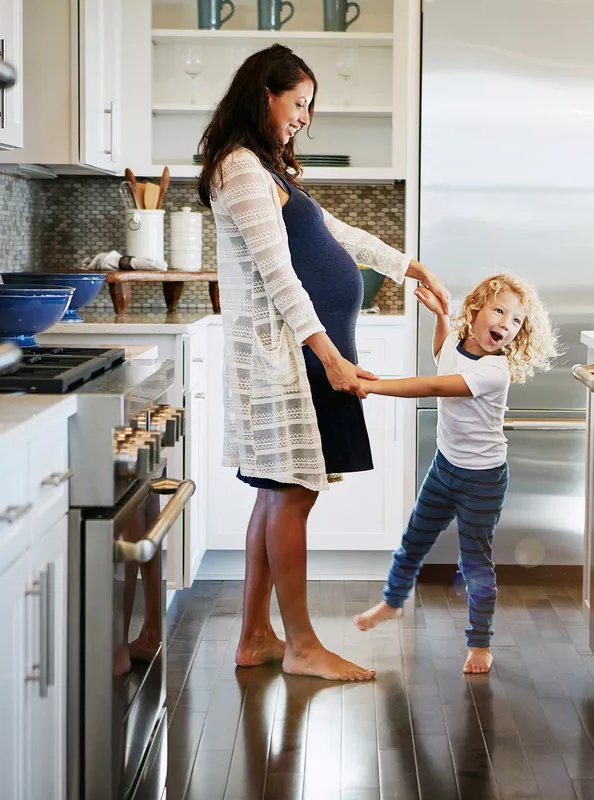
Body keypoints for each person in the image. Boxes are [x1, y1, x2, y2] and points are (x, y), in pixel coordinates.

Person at [196, 44, 450, 682]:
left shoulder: (262, 168)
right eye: (299, 102)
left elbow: (332, 234)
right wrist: (331, 356)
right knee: (292, 494)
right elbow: (278, 277)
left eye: (310, 105)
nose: (305, 117)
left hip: (304, 357)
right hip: (293, 361)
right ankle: (303, 645)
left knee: (277, 494)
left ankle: (257, 636)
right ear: (266, 96)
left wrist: (408, 265)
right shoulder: (241, 170)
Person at [354, 273, 559, 674]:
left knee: (474, 563)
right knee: (414, 540)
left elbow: (433, 386)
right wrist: (440, 318)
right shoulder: (457, 345)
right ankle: (393, 602)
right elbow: (441, 356)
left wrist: (374, 387)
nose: (505, 323)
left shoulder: (494, 372)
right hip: (445, 466)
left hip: (482, 479)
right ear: (477, 309)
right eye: (499, 310)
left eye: (516, 321)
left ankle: (479, 643)